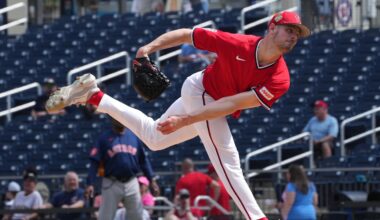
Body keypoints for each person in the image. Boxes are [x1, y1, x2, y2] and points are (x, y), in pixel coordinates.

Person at [46, 10, 311, 220]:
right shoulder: (238, 43)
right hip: (199, 89)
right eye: (289, 30)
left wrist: (185, 121)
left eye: (297, 34)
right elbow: (187, 34)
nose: (293, 36)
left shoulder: (280, 79)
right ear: (272, 28)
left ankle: (95, 96)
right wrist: (147, 49)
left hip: (215, 103)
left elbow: (231, 104)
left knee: (154, 138)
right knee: (228, 158)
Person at [85, 118, 159, 220]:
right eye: (117, 117)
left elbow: (143, 161)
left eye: (122, 116)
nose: (120, 119)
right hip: (111, 182)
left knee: (137, 216)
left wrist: (152, 179)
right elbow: (94, 162)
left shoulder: (134, 137)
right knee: (105, 217)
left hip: (131, 181)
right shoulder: (104, 138)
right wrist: (90, 183)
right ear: (112, 119)